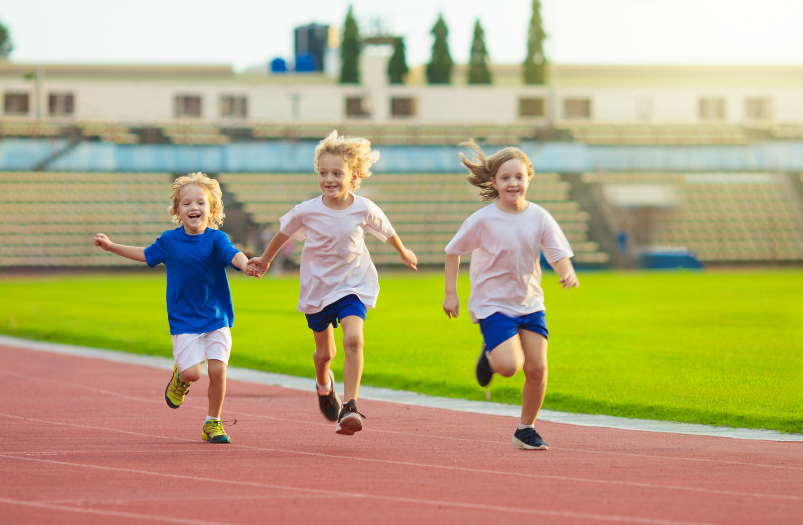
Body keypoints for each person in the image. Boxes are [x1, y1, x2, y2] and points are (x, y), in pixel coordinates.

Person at [247, 130, 418, 435]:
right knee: (325, 354)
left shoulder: (364, 208)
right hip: (318, 288)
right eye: (323, 172)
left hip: (352, 285)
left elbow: (387, 230)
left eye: (337, 173)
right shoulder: (307, 210)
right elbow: (284, 232)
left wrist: (404, 253)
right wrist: (266, 259)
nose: (329, 179)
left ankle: (349, 406)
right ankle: (323, 385)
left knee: (354, 339)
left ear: (354, 176)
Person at [93, 172, 249, 444]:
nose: (194, 207)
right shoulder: (169, 241)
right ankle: (180, 377)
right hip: (184, 319)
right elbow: (145, 254)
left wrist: (247, 265)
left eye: (200, 203)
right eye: (187, 203)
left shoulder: (216, 239)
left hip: (216, 316)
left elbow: (234, 255)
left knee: (218, 371)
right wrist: (111, 246)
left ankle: (213, 422)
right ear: (177, 211)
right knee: (192, 373)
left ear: (212, 209)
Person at [442, 141, 579, 450]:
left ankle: (526, 429)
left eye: (519, 177)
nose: (513, 183)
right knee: (509, 367)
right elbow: (453, 252)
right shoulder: (482, 220)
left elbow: (557, 253)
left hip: (530, 303)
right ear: (494, 182)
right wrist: (451, 293)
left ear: (529, 178)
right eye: (505, 178)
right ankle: (490, 355)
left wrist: (566, 272)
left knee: (537, 369)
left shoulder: (540, 216)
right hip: (493, 304)